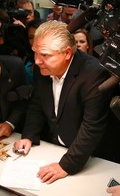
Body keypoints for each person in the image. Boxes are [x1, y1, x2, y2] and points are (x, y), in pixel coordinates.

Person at [14, 20, 112, 184]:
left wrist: (66, 165)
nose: (37, 61)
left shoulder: (93, 73)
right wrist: (29, 136)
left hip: (90, 158)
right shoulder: (42, 67)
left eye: (45, 55)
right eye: (35, 52)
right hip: (55, 148)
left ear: (67, 53)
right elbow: (37, 105)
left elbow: (92, 126)